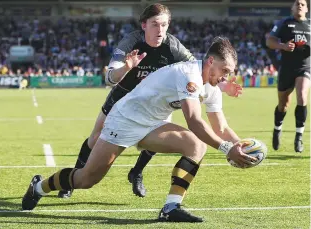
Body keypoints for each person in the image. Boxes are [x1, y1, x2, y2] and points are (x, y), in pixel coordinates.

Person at [22, 37, 256, 223]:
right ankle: (39, 187)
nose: (227, 77)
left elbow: (221, 126)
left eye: (230, 72)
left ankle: (171, 207)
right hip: (125, 119)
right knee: (86, 179)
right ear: (210, 62)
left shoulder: (213, 87)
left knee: (195, 145)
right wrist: (227, 149)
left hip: (153, 124)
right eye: (225, 70)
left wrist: (239, 146)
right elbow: (194, 120)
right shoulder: (190, 75)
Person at [58, 3, 243, 198]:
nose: (160, 30)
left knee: (161, 132)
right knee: (95, 138)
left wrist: (222, 85)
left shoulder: (173, 46)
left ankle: (136, 172)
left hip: (157, 99)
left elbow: (199, 71)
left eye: (165, 25)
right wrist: (126, 68)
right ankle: (71, 180)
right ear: (144, 25)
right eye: (155, 24)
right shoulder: (130, 42)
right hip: (124, 95)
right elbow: (110, 78)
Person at [266, 0, 310, 153]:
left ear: (307, 8)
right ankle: (277, 129)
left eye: (303, 4)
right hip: (287, 68)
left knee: (302, 96)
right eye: (297, 3)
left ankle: (299, 137)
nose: (299, 5)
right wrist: (283, 46)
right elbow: (270, 41)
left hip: (305, 67)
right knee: (283, 105)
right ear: (292, 8)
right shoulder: (283, 23)